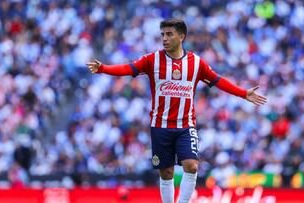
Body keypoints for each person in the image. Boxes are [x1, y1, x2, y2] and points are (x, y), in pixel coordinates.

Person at [87, 19, 267, 203]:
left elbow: (218, 80)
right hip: (160, 125)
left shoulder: (196, 63)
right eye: (162, 34)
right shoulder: (152, 60)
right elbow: (128, 68)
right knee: (166, 172)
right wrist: (103, 69)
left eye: (169, 34)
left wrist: (243, 93)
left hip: (185, 125)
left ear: (182, 36)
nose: (164, 38)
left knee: (192, 166)